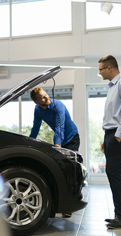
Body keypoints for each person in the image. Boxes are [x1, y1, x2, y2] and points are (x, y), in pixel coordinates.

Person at [98, 55, 121, 229]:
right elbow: (113, 116)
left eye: (100, 69)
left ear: (109, 68)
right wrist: (106, 138)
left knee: (114, 173)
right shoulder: (112, 87)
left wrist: (118, 136)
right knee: (119, 174)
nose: (99, 73)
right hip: (112, 135)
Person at [29, 87, 80, 218]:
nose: (47, 99)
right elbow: (36, 126)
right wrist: (29, 142)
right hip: (60, 140)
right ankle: (62, 201)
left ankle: (70, 203)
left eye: (46, 95)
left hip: (71, 138)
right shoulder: (37, 110)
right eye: (42, 98)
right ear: (36, 102)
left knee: (70, 169)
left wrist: (58, 145)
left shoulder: (58, 106)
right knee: (61, 170)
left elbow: (60, 126)